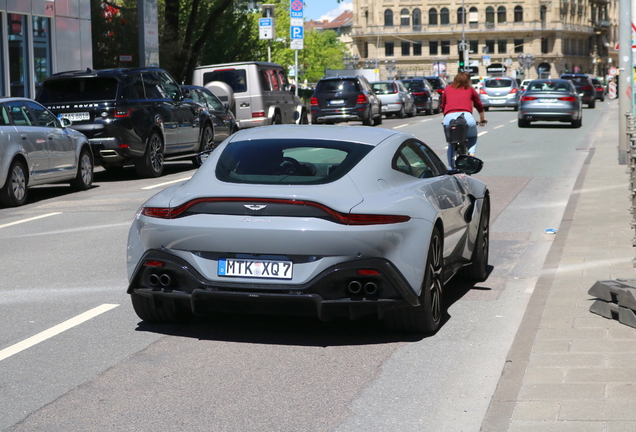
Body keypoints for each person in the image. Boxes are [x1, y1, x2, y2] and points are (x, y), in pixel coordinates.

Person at [440, 72, 486, 166]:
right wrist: (482, 118)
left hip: (449, 118)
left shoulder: (447, 89)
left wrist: (446, 118)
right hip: (466, 117)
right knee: (472, 137)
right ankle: (471, 154)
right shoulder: (470, 89)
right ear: (468, 80)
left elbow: (443, 105)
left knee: (451, 143)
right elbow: (478, 105)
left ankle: (450, 167)